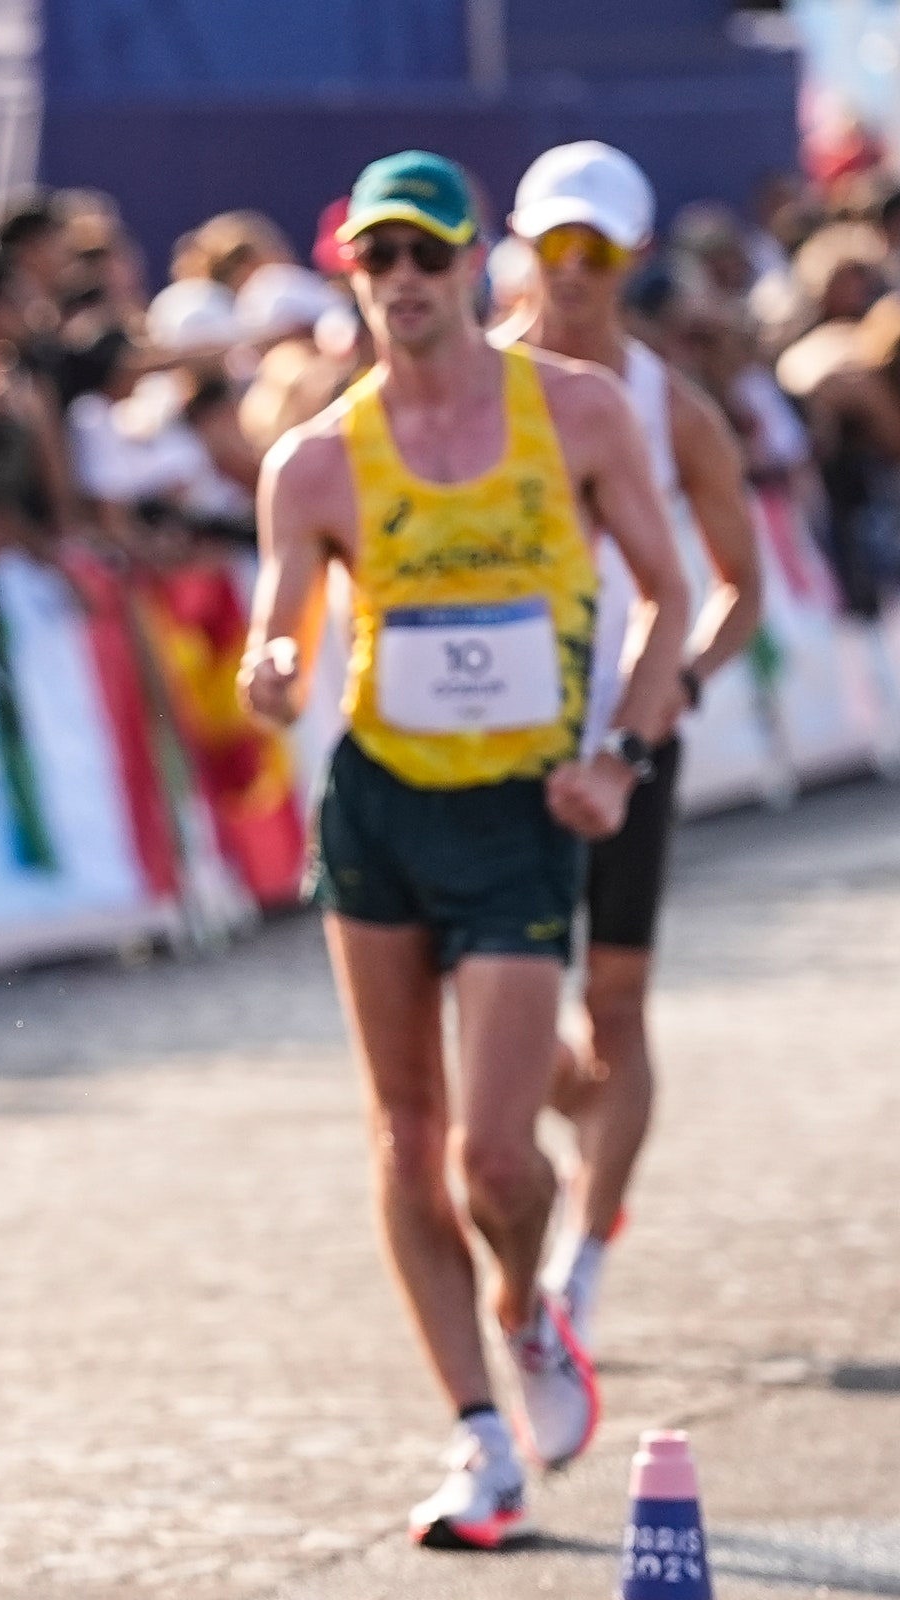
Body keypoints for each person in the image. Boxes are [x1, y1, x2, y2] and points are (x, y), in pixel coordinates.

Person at [237, 151, 689, 1549]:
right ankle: (476, 1437)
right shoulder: (313, 459)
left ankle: (525, 1305)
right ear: (352, 274)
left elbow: (671, 603)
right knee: (404, 1132)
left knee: (494, 1161)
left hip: (520, 813)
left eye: (429, 254)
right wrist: (268, 668)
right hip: (381, 808)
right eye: (380, 259)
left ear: (475, 263)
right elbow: (285, 636)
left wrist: (618, 754)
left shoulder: (583, 414)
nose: (406, 282)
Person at [500, 142, 762, 1352]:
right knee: (484, 1001)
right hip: (494, 737)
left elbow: (738, 586)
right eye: (553, 241)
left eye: (595, 247)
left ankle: (588, 1250)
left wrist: (679, 689)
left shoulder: (674, 408)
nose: (572, 268)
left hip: (626, 734)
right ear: (518, 244)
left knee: (615, 999)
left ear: (633, 257)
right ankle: (575, 1119)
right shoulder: (464, 387)